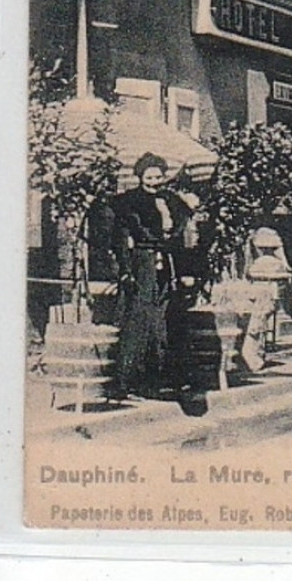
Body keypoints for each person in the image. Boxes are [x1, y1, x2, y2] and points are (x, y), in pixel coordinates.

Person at [109, 153, 194, 398]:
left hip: (167, 265)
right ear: (140, 177)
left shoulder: (172, 200)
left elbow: (183, 237)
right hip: (141, 265)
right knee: (139, 321)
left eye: (158, 176)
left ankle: (158, 380)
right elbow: (120, 241)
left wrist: (185, 270)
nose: (154, 181)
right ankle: (127, 382)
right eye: (149, 177)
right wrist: (125, 271)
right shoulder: (129, 202)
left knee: (164, 322)